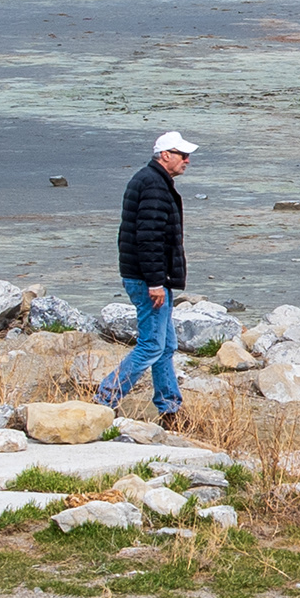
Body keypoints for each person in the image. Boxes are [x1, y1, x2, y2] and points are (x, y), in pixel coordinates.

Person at [106, 130, 195, 422]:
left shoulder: (152, 180)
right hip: (149, 281)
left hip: (150, 278)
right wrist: (156, 282)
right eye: (182, 155)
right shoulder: (154, 186)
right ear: (165, 155)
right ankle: (104, 398)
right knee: (151, 345)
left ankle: (170, 409)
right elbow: (149, 239)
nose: (187, 160)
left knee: (166, 345)